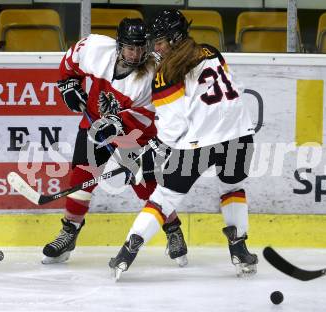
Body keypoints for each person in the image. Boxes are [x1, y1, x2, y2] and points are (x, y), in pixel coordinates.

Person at [109, 9, 258, 280]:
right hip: (240, 136)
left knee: (164, 197)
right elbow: (233, 88)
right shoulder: (211, 51)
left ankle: (127, 252)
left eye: (161, 41)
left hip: (199, 144)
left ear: (176, 38)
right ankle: (239, 249)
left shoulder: (167, 73)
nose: (155, 47)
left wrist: (153, 151)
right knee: (232, 187)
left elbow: (174, 126)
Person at [42, 18, 187, 265]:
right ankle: (69, 232)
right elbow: (70, 62)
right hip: (95, 124)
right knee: (81, 178)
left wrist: (119, 124)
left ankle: (173, 230)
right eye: (131, 47)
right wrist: (69, 85)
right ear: (119, 45)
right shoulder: (96, 48)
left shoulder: (153, 74)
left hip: (134, 134)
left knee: (145, 186)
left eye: (142, 47)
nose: (137, 53)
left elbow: (150, 115)